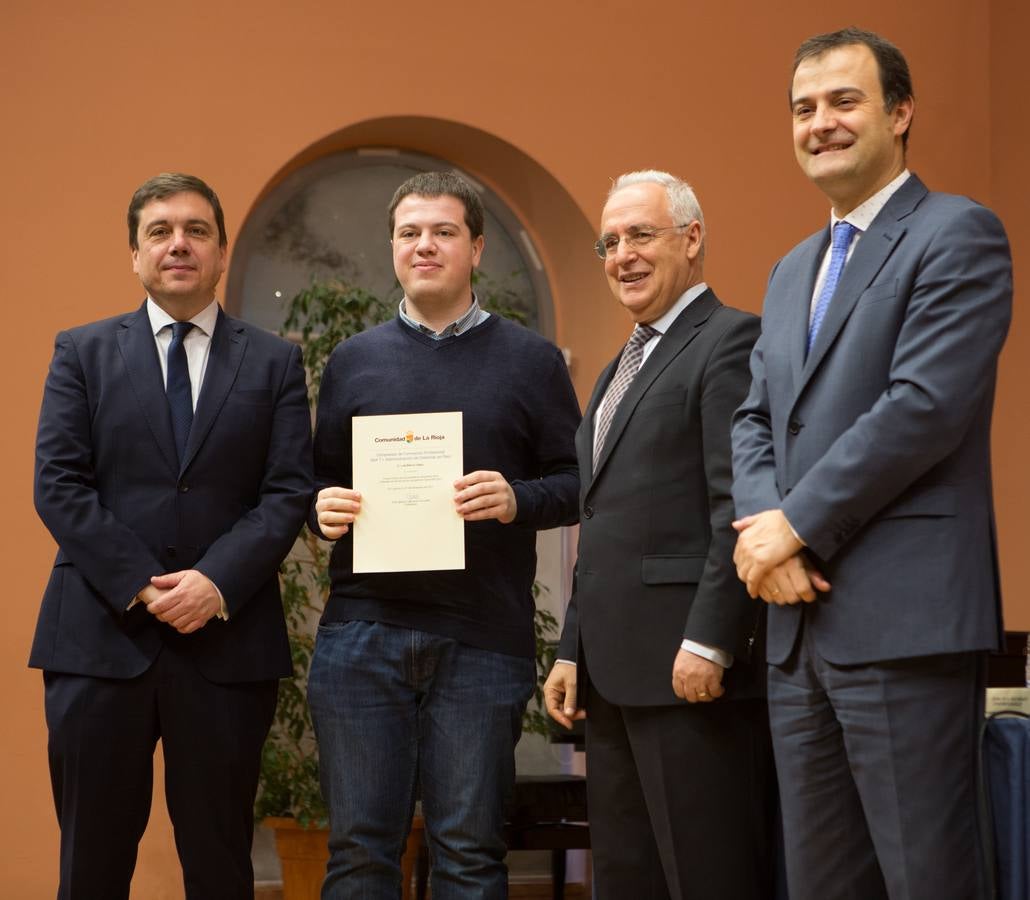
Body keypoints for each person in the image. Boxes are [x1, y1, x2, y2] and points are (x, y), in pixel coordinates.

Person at [731, 28, 1012, 900]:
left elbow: (923, 407)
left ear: (900, 112)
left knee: (928, 878)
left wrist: (795, 523)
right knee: (822, 883)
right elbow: (753, 420)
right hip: (796, 633)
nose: (821, 122)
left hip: (905, 623)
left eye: (844, 101)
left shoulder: (956, 233)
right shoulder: (789, 271)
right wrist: (767, 536)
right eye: (803, 108)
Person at [30, 173, 314, 899]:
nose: (178, 244)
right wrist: (142, 584)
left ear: (221, 253)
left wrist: (214, 583)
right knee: (90, 865)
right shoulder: (82, 352)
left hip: (226, 643)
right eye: (160, 231)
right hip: (99, 640)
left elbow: (286, 492)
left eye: (196, 230)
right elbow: (59, 484)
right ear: (135, 254)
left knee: (221, 866)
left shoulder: (275, 362)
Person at [307, 170, 580, 899]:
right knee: (360, 855)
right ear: (393, 249)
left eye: (443, 231)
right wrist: (321, 506)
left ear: (477, 247)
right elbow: (313, 481)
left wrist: (515, 498)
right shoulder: (353, 362)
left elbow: (579, 482)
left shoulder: (533, 362)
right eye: (408, 233)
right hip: (362, 635)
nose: (423, 245)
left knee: (469, 855)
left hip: (482, 641)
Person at [543, 171, 774, 900]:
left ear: (692, 238)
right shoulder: (618, 367)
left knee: (708, 878)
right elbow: (603, 519)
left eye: (641, 235)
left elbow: (736, 508)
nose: (622, 256)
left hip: (690, 675)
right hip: (613, 679)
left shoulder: (731, 341)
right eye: (609, 242)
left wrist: (710, 638)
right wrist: (571, 647)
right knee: (625, 879)